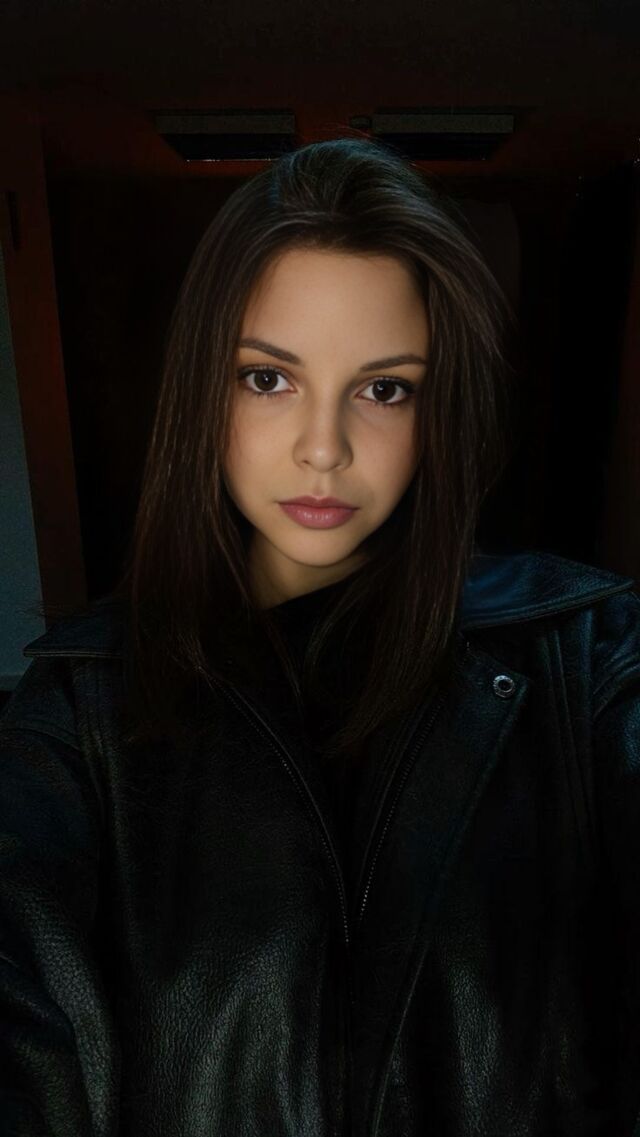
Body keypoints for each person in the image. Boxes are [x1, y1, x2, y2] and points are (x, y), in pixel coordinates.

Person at [1, 136, 639, 1137]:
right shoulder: (75, 715)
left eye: (384, 389)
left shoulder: (587, 655)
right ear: (201, 390)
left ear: (438, 409)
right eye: (268, 378)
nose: (324, 447)